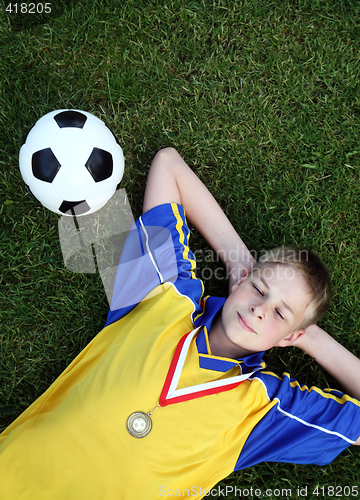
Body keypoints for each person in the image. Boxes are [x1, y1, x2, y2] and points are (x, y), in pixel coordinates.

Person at [0, 147, 359, 499]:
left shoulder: (265, 409)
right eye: (259, 289)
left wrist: (308, 337)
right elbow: (168, 165)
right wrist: (238, 263)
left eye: (280, 313)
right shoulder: (165, 295)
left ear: (291, 335)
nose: (261, 309)